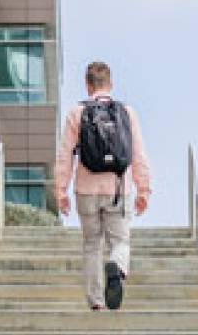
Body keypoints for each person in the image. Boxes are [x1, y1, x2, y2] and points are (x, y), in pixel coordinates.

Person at [53, 61, 152, 311]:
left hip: (86, 190)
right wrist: (144, 189)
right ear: (111, 85)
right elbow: (138, 153)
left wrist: (60, 190)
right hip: (118, 189)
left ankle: (96, 301)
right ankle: (117, 266)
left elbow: (65, 155)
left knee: (91, 245)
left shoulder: (77, 113)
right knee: (120, 242)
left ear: (88, 86)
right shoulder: (126, 113)